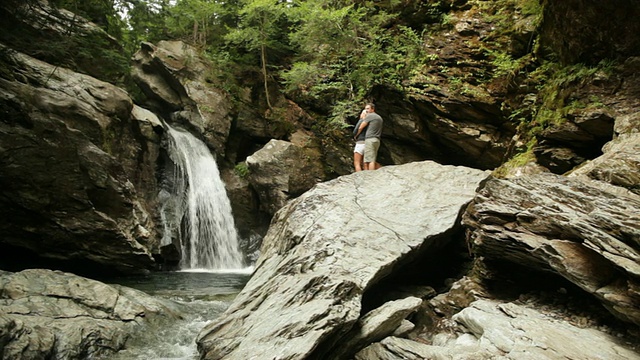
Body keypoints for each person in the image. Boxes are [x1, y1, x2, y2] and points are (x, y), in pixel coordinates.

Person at [354, 103, 383, 170]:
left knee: (369, 160)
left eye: (368, 108)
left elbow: (360, 127)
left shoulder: (370, 116)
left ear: (372, 109)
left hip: (370, 139)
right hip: (377, 139)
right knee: (372, 158)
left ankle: (369, 176)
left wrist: (356, 134)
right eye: (365, 109)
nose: (366, 110)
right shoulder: (379, 117)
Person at [352, 107, 369, 172]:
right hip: (367, 142)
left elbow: (355, 131)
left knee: (357, 163)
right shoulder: (370, 122)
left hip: (360, 142)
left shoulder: (361, 121)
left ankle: (359, 177)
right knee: (365, 163)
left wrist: (355, 135)